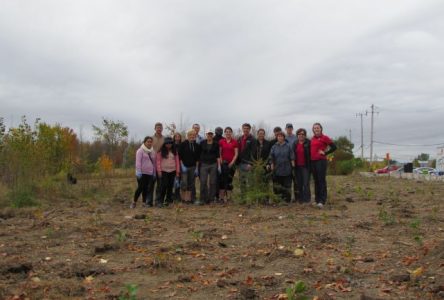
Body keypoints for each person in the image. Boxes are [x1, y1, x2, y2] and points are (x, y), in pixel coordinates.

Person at [310, 122, 337, 208]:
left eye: (318, 128)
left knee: (321, 180)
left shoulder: (325, 138)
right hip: (313, 162)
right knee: (316, 180)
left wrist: (325, 153)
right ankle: (317, 200)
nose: (316, 129)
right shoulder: (312, 138)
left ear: (321, 129)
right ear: (313, 130)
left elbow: (334, 147)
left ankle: (322, 200)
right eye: (315, 128)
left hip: (321, 161)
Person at [269, 131, 294, 203]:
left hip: (287, 169)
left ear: (284, 137)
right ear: (277, 137)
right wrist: (271, 165)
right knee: (277, 186)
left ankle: (287, 201)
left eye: (281, 136)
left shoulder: (288, 146)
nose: (280, 138)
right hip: (277, 170)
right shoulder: (274, 147)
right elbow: (271, 157)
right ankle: (277, 200)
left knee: (287, 186)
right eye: (278, 136)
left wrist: (293, 168)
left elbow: (292, 158)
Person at [132, 136, 156, 208]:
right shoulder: (140, 151)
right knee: (140, 188)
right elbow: (138, 162)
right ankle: (134, 202)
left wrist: (154, 172)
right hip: (142, 173)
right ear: (144, 142)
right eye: (148, 141)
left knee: (146, 188)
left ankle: (144, 203)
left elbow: (154, 163)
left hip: (150, 173)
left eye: (151, 142)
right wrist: (138, 171)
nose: (149, 143)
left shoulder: (152, 151)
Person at [156, 137, 180, 207]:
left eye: (170, 143)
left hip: (173, 171)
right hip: (164, 171)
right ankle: (160, 201)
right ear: (165, 144)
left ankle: (168, 200)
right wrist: (159, 171)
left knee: (170, 186)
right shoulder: (160, 152)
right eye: (167, 143)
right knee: (164, 186)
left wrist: (178, 172)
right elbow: (158, 162)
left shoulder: (174, 151)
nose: (169, 145)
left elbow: (177, 162)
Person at [179, 130, 201, 203]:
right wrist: (182, 165)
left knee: (191, 183)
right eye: (190, 135)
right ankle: (183, 198)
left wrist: (197, 169)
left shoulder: (197, 145)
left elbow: (198, 158)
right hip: (184, 167)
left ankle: (188, 199)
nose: (192, 136)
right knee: (184, 183)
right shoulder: (183, 144)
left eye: (193, 135)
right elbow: (180, 156)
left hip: (193, 167)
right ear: (188, 135)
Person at [199, 130, 221, 204]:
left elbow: (218, 155)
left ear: (213, 135)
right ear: (206, 135)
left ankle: (211, 199)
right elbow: (199, 154)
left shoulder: (216, 144)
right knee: (203, 182)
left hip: (213, 164)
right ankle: (203, 199)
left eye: (211, 134)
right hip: (204, 164)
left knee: (212, 182)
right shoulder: (202, 143)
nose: (209, 136)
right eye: (208, 134)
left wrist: (219, 166)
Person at [219, 127, 238, 202]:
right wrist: (221, 161)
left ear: (231, 133)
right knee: (222, 180)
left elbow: (236, 154)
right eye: (226, 132)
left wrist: (232, 163)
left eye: (229, 132)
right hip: (223, 164)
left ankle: (229, 198)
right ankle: (221, 197)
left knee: (230, 180)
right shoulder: (221, 141)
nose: (228, 133)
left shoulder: (234, 142)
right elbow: (219, 153)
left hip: (231, 165)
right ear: (224, 133)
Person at [237, 123, 256, 200]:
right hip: (241, 164)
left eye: (247, 128)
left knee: (250, 182)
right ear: (242, 129)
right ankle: (243, 198)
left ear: (249, 129)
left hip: (248, 164)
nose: (245, 130)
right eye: (244, 128)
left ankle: (251, 198)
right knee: (242, 182)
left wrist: (250, 163)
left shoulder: (253, 139)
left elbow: (254, 152)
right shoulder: (239, 139)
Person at [294, 128, 311, 203]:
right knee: (299, 183)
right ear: (297, 135)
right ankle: (300, 199)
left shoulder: (309, 143)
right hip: (297, 166)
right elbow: (292, 154)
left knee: (306, 183)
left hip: (306, 167)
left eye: (303, 134)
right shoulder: (295, 143)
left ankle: (307, 199)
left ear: (305, 135)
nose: (301, 135)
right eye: (299, 134)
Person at [151, 122, 164, 206]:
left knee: (160, 183)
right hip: (151, 163)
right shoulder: (151, 138)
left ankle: (158, 201)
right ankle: (149, 201)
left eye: (160, 128)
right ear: (155, 128)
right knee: (151, 183)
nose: (159, 129)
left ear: (162, 129)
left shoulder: (164, 139)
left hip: (161, 164)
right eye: (157, 128)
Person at [172, 132, 183, 202]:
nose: (177, 138)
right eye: (176, 137)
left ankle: (177, 195)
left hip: (180, 163)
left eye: (179, 137)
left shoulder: (182, 145)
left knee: (179, 179)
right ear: (174, 138)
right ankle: (171, 195)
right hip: (172, 164)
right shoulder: (171, 145)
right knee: (173, 180)